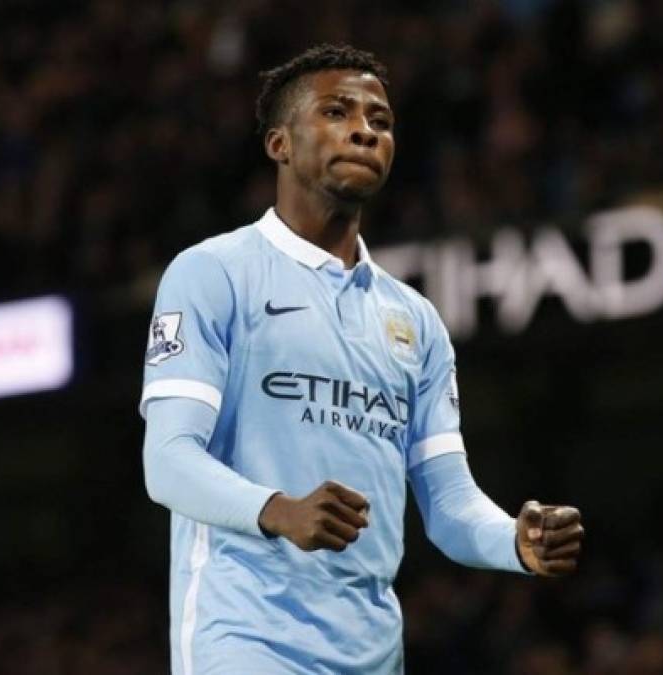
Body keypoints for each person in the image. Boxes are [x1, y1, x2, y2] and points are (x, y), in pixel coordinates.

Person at [140, 44, 583, 675]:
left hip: (373, 654)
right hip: (243, 644)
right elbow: (168, 462)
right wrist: (279, 511)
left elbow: (449, 503)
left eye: (381, 120)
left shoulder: (417, 322)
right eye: (336, 112)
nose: (364, 130)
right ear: (279, 145)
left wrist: (514, 539)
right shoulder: (214, 274)